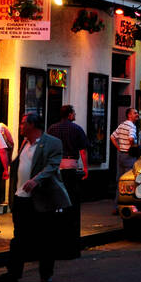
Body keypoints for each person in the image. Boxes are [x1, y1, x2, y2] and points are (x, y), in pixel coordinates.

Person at [0, 112, 72, 282]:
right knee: (18, 237)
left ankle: (46, 274)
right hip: (22, 197)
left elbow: (52, 166)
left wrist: (36, 180)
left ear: (32, 125)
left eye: (23, 123)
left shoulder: (52, 143)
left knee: (45, 238)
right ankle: (13, 275)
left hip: (42, 198)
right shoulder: (24, 143)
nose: (20, 126)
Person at [47, 104, 89, 257]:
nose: (74, 115)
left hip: (56, 165)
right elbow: (83, 150)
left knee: (57, 199)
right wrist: (85, 168)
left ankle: (57, 232)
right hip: (71, 164)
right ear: (70, 115)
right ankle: (69, 235)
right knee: (70, 199)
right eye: (74, 113)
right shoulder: (76, 129)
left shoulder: (52, 129)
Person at [111, 108, 141, 204]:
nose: (137, 114)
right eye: (135, 113)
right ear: (129, 115)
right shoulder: (132, 126)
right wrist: (133, 146)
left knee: (120, 180)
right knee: (129, 181)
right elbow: (131, 138)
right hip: (129, 156)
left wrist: (119, 147)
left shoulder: (122, 125)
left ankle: (116, 205)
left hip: (121, 155)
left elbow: (112, 137)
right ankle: (128, 202)